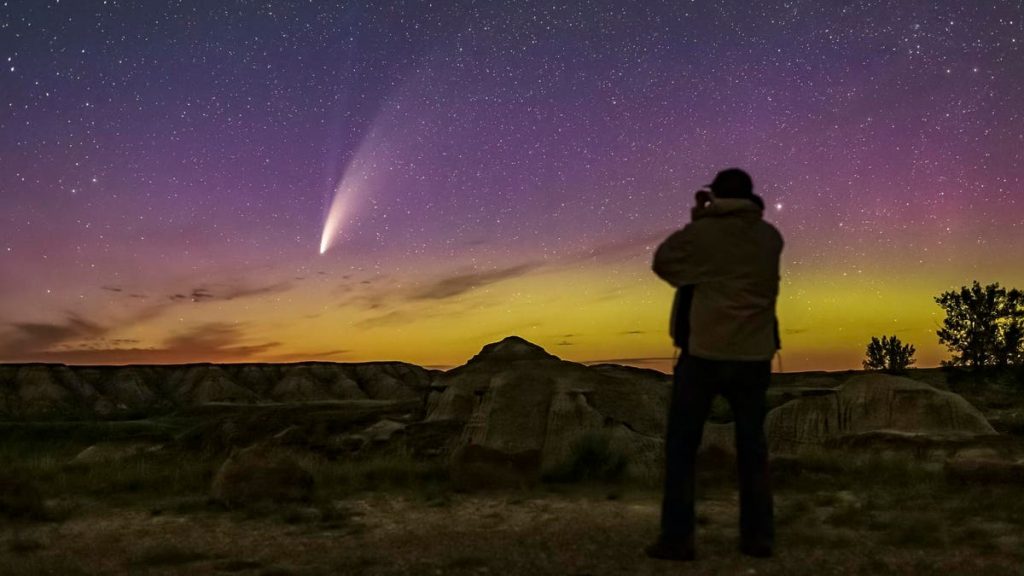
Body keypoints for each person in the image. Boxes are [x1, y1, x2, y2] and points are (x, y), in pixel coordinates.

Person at [646, 168, 783, 561]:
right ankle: (758, 538)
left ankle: (677, 538)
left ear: (716, 196)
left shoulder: (702, 235)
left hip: (704, 354)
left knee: (682, 447)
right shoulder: (770, 238)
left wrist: (700, 217)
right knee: (752, 447)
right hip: (755, 355)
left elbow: (665, 263)